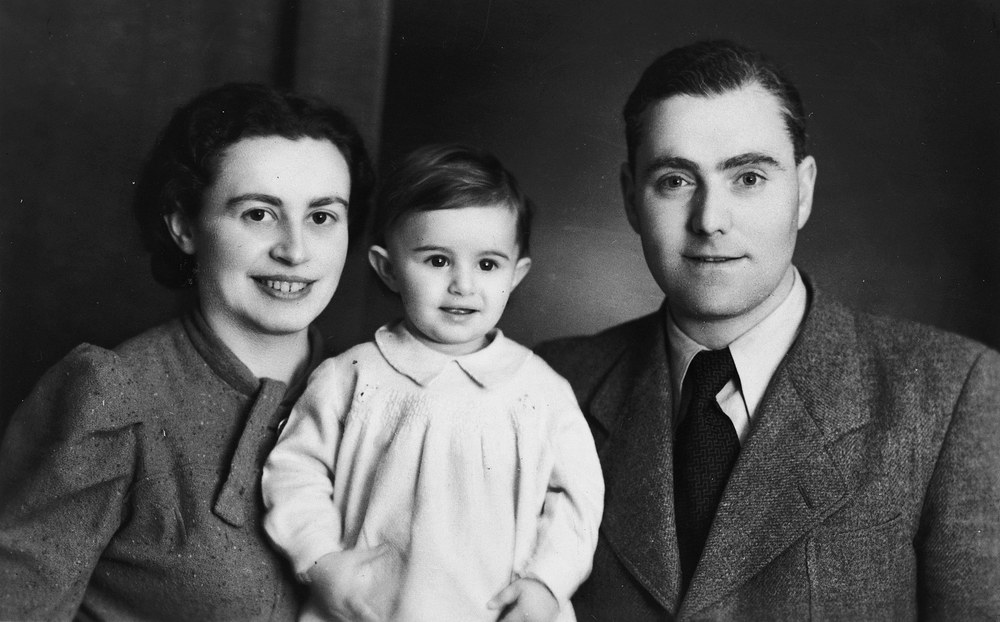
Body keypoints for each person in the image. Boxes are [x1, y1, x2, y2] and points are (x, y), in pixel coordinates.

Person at [536, 40, 1000, 620]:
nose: (710, 220)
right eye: (676, 181)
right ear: (631, 199)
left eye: (749, 177)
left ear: (802, 190)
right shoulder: (546, 384)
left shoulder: (952, 391)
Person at [0, 82, 373, 620]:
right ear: (184, 226)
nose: (295, 251)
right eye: (258, 214)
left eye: (321, 217)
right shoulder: (111, 395)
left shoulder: (376, 391)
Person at [261, 144, 604, 622]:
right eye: (438, 261)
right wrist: (321, 560)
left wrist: (548, 581)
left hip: (496, 612)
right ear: (388, 269)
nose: (463, 285)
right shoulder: (352, 376)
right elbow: (295, 470)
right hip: (371, 608)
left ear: (516, 273)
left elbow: (576, 498)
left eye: (487, 265)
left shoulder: (539, 390)